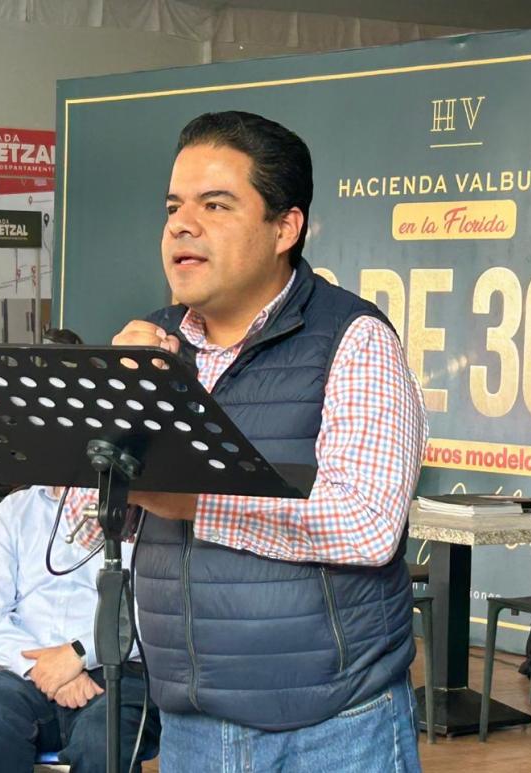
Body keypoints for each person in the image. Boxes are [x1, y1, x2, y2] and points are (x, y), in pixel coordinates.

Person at [64, 111, 428, 771]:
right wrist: (118, 405)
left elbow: (367, 525)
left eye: (215, 205)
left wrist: (195, 501)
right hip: (192, 720)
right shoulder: (152, 342)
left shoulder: (353, 340)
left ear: (285, 228)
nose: (181, 225)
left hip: (334, 723)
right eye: (173, 207)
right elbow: (83, 530)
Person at [0, 483, 160, 773]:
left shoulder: (138, 512)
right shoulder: (13, 510)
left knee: (100, 742)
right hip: (25, 673)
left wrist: (78, 655)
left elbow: (152, 616)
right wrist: (46, 670)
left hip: (116, 674)